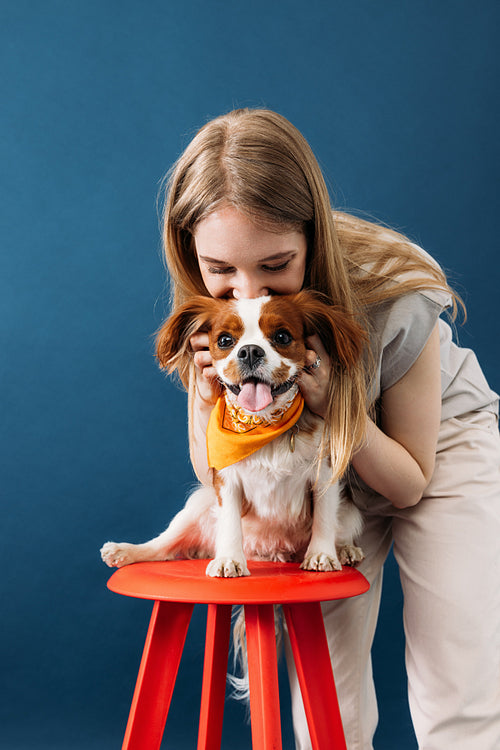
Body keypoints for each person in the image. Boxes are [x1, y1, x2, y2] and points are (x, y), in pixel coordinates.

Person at [158, 108, 500, 749]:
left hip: (436, 449)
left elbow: (408, 485)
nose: (246, 290)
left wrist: (332, 405)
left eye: (275, 264)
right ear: (194, 254)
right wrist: (211, 395)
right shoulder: (220, 318)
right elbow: (214, 472)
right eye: (221, 271)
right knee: (327, 696)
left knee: (459, 678)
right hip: (314, 469)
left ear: (314, 236)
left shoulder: (396, 290)